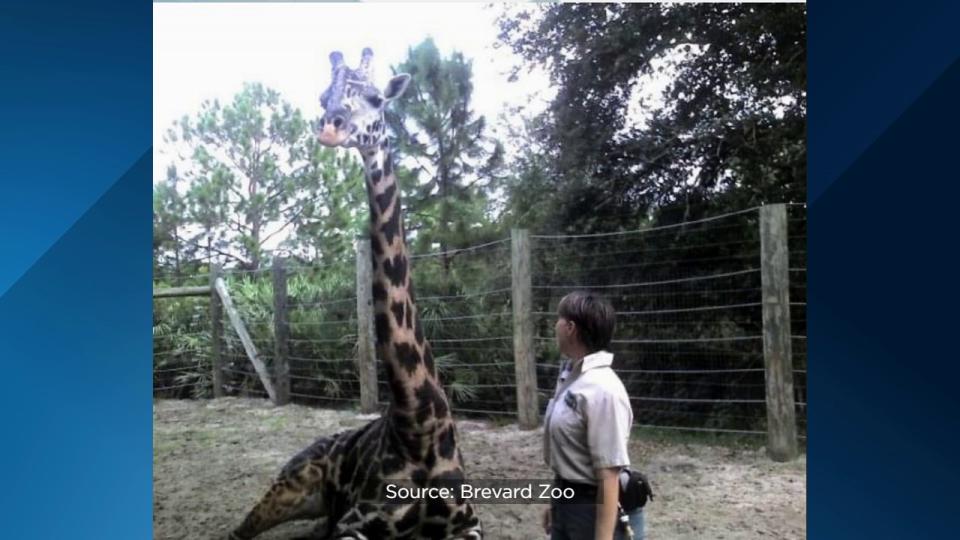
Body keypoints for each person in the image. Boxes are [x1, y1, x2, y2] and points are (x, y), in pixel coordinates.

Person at [542, 291, 644, 540]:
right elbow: (571, 457)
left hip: (590, 509)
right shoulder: (572, 377)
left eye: (559, 319)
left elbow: (609, 476)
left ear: (570, 328)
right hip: (566, 501)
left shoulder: (603, 389)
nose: (555, 326)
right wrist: (556, 502)